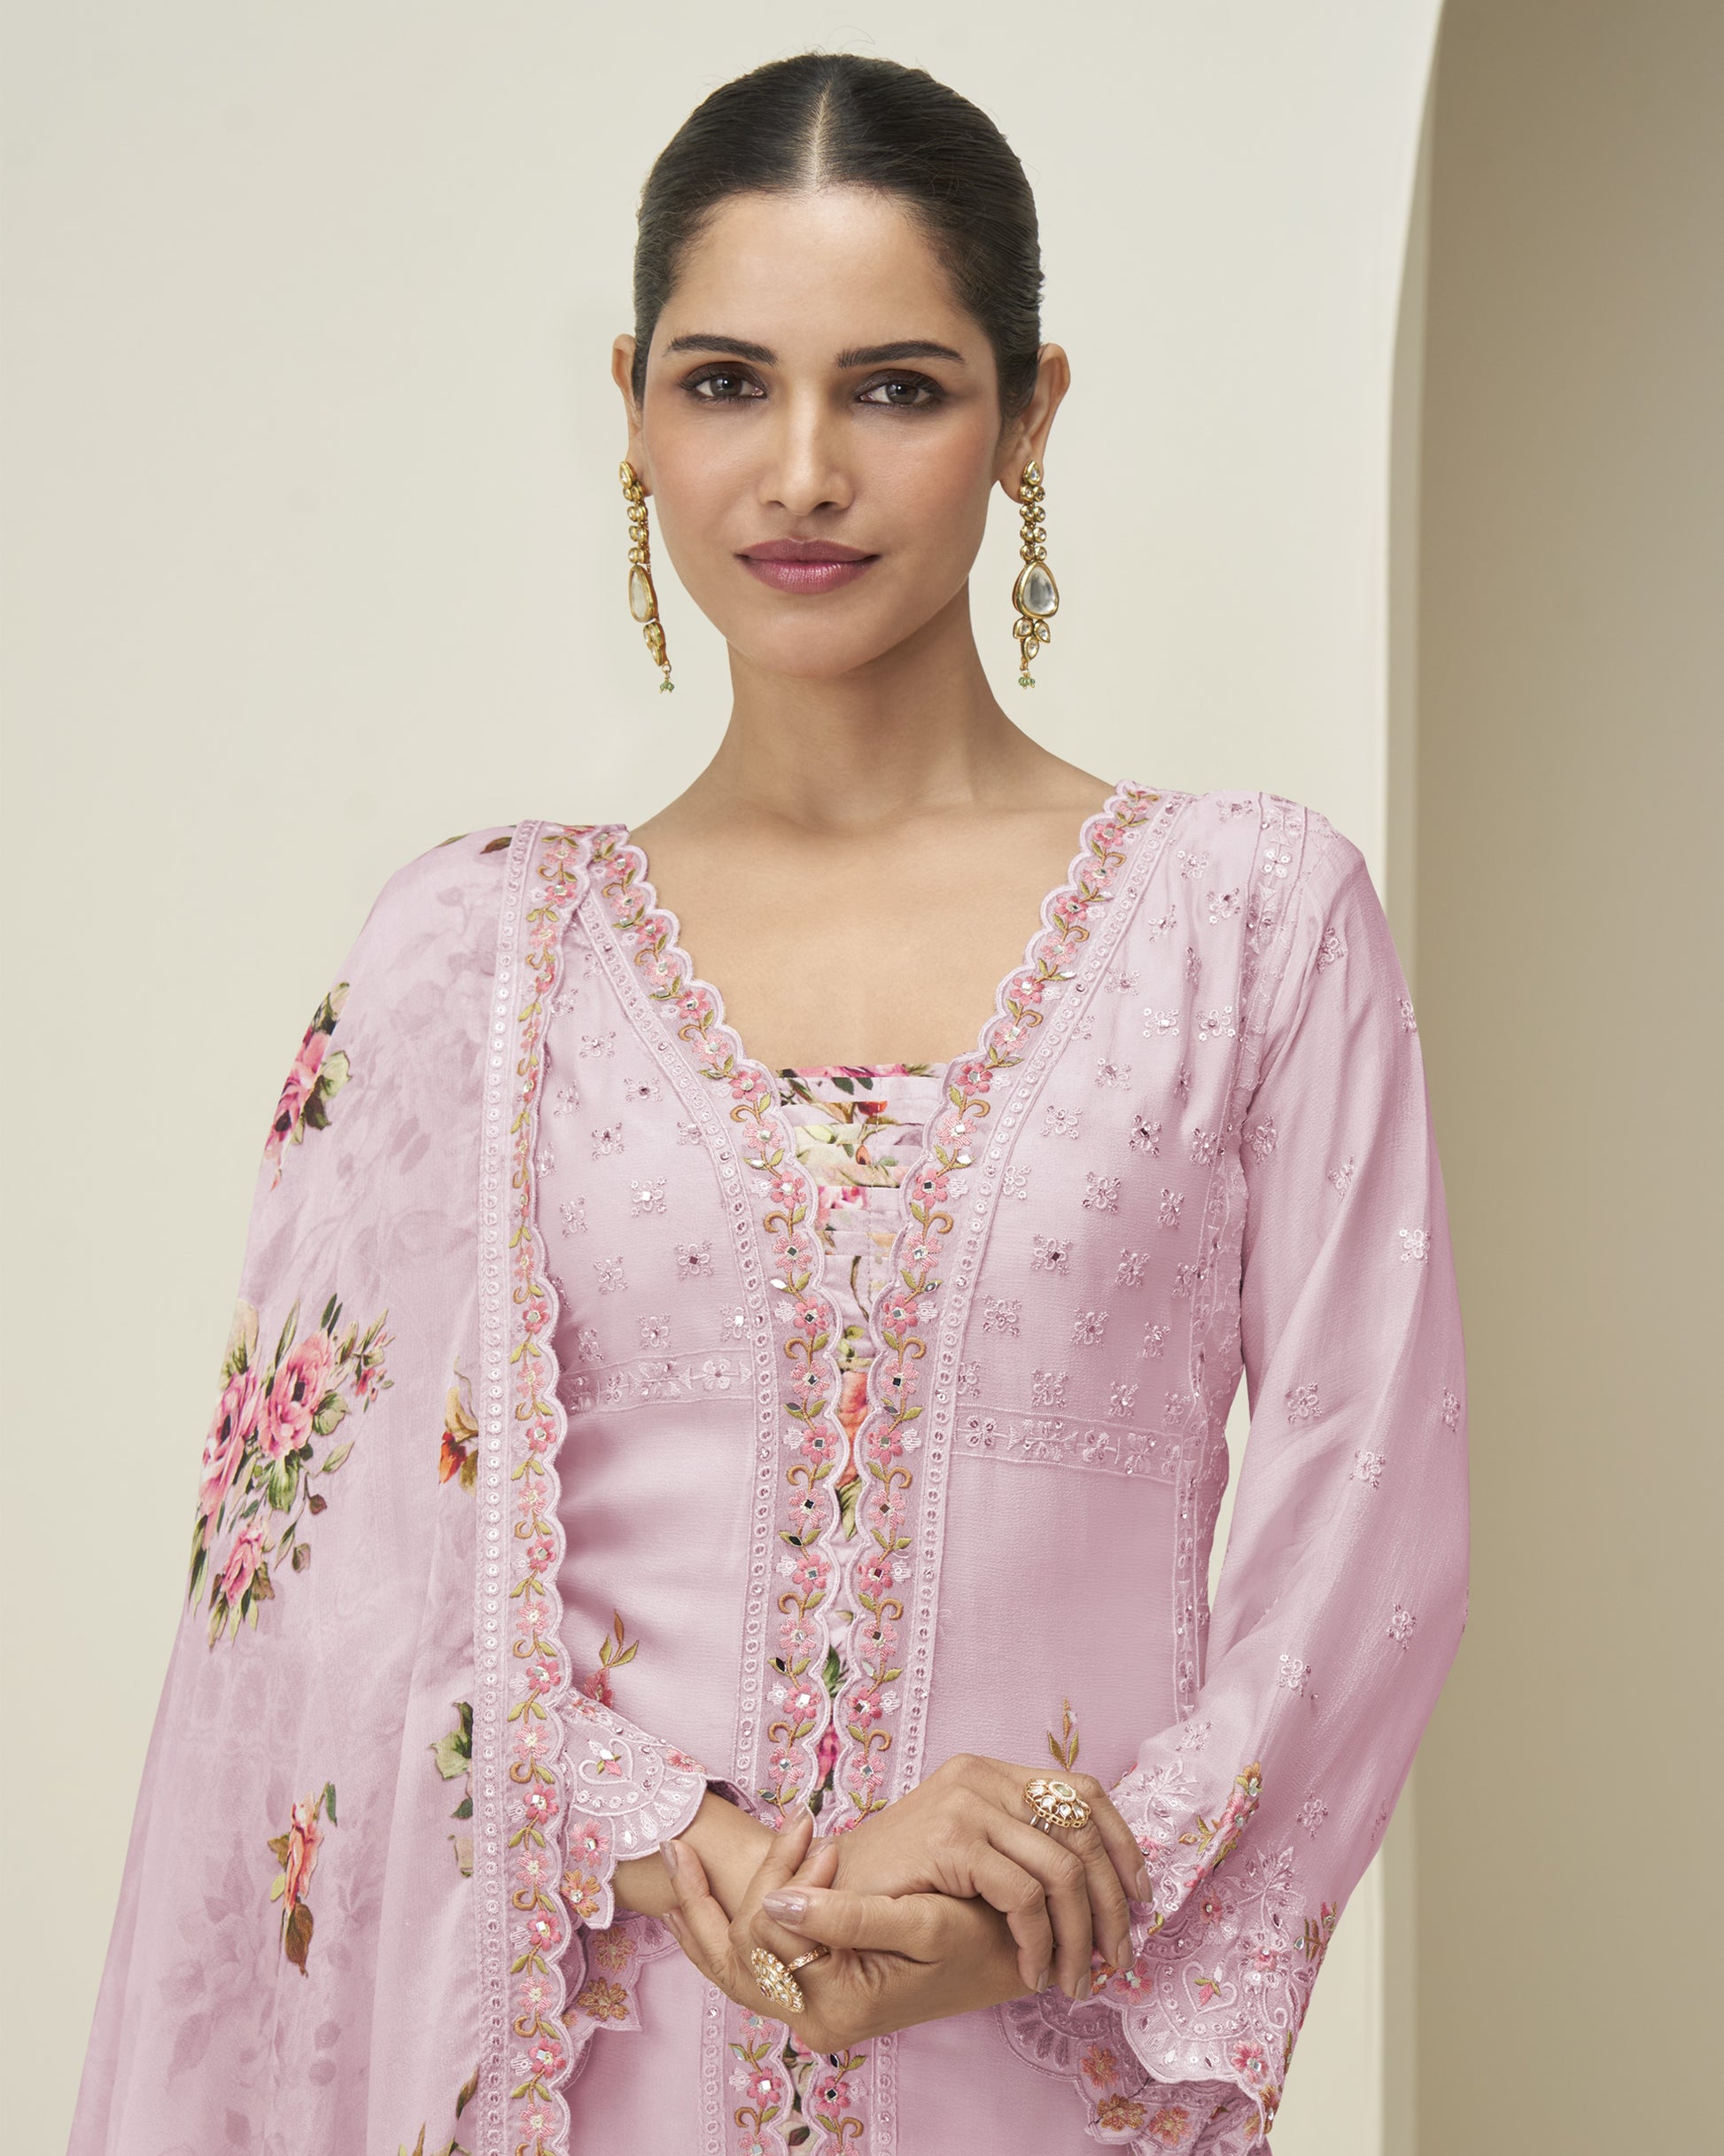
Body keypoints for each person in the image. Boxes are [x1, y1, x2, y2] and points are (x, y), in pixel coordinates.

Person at [70, 51, 1468, 2156]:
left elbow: (1368, 1514)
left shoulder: (1242, 925)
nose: (800, 468)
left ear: (1029, 413)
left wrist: (1075, 1865)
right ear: (633, 404)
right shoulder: (476, 958)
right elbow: (329, 1598)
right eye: (727, 383)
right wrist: (645, 1827)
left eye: (895, 388)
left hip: (1044, 2063)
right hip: (589, 2065)